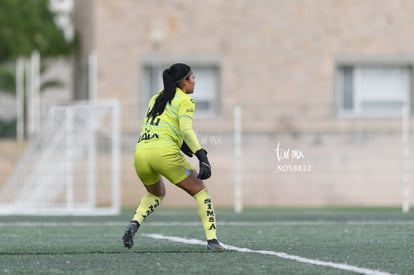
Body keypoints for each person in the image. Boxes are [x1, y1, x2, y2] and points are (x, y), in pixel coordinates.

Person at [122, 63, 224, 251]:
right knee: (202, 193)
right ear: (184, 82)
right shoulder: (185, 100)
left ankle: (134, 223)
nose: (195, 82)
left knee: (156, 193)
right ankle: (213, 241)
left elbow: (167, 127)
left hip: (141, 153)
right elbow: (186, 130)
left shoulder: (155, 98)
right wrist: (202, 156)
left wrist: (187, 148)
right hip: (164, 153)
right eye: (192, 78)